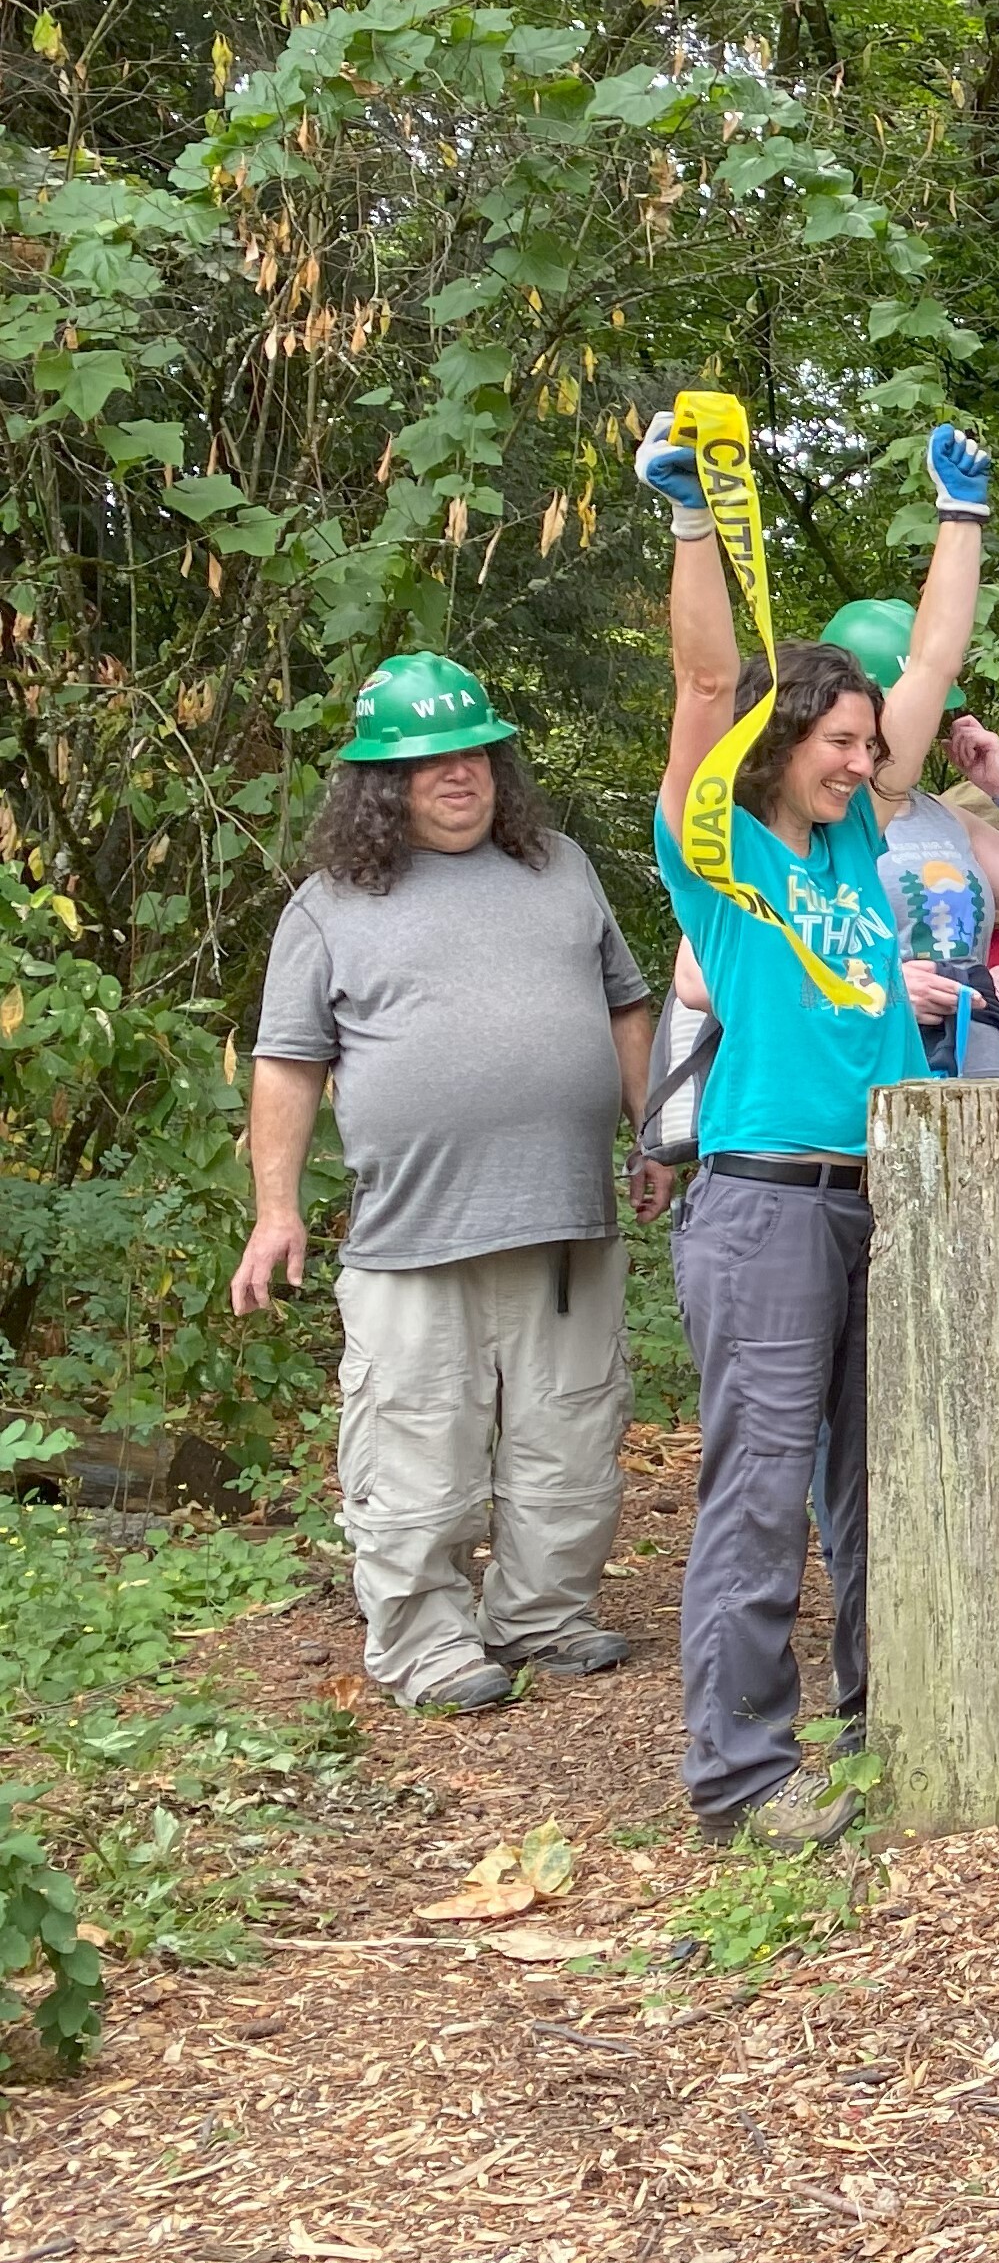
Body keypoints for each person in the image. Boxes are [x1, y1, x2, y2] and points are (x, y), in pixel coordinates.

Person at [637, 410, 989, 1848]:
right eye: (842, 744)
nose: (866, 763)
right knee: (764, 1493)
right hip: (767, 1202)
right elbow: (709, 671)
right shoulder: (713, 850)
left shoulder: (852, 839)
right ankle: (739, 1778)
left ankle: (879, 1731)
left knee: (875, 1482)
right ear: (784, 742)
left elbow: (932, 666)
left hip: (884, 1193)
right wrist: (689, 518)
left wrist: (959, 517)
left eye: (869, 746)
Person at [236, 654, 655, 1715]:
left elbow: (625, 1010)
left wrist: (656, 1135)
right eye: (428, 761)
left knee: (571, 1433)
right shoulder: (331, 905)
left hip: (566, 1219)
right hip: (412, 1234)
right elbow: (287, 1062)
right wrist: (276, 1210)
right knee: (416, 1442)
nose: (458, 774)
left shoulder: (558, 866)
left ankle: (544, 1618)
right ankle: (425, 1646)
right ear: (384, 783)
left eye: (472, 752)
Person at [809, 597, 999, 1073]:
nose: (926, 719)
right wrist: (880, 989)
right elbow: (704, 978)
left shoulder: (945, 818)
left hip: (973, 1078)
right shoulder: (803, 817)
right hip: (864, 1076)